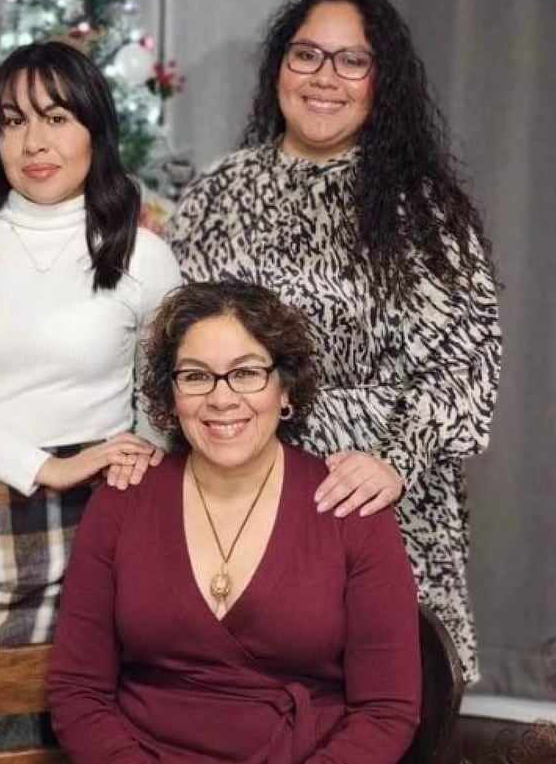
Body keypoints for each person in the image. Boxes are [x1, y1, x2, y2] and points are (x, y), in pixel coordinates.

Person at [167, 0, 501, 682]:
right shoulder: (216, 194)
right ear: (279, 67)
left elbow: (467, 365)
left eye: (353, 60)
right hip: (239, 495)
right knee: (242, 711)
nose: (327, 77)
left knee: (380, 718)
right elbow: (178, 348)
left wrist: (395, 461)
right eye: (307, 55)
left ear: (383, 81)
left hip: (375, 497)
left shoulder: (425, 211)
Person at [0, 41, 182, 754]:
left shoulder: (144, 255)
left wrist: (133, 458)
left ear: (94, 130)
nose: (35, 140)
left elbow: (170, 402)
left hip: (100, 544)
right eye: (13, 120)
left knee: (84, 746)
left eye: (56, 117)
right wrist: (46, 466)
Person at [47, 280, 421, 763]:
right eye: (196, 376)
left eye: (246, 373)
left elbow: (386, 710)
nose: (221, 399)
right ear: (171, 395)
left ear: (284, 389)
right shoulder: (121, 501)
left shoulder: (352, 508)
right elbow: (78, 693)